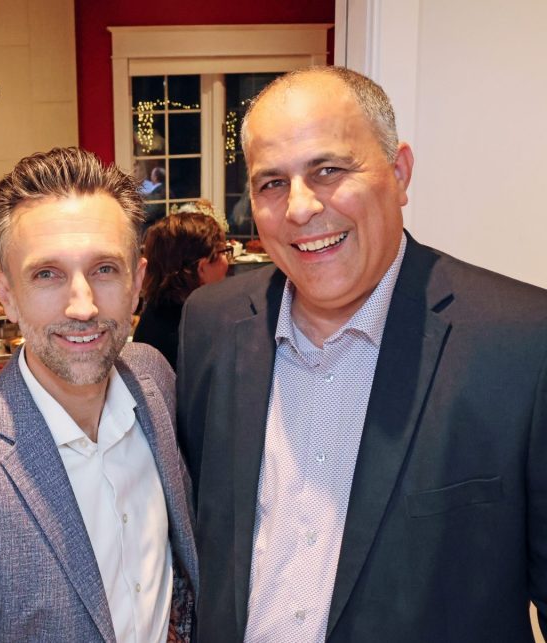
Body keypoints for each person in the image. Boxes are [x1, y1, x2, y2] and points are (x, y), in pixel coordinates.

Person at [177, 66, 547, 642]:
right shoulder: (211, 324)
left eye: (328, 170)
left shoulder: (523, 342)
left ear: (399, 173)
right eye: (272, 183)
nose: (300, 208)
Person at [0, 147, 197, 642]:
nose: (82, 307)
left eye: (104, 269)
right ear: (7, 296)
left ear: (137, 282)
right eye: (47, 274)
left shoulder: (153, 377)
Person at [134, 201, 230, 368]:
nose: (228, 262)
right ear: (202, 268)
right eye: (224, 252)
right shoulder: (197, 332)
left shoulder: (154, 315)